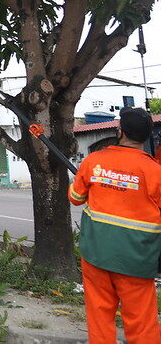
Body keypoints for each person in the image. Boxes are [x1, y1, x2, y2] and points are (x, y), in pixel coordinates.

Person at [68, 107, 161, 344]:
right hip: (136, 259)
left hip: (96, 255)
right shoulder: (154, 171)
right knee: (141, 321)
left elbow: (76, 198)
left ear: (120, 132)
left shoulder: (94, 161)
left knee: (99, 315)